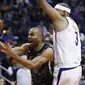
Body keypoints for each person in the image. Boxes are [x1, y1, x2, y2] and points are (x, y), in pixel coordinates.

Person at [36, 1, 82, 85]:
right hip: (76, 69)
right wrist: (53, 38)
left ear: (64, 12)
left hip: (65, 69)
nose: (54, 13)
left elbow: (42, 3)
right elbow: (68, 41)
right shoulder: (73, 24)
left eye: (56, 10)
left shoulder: (61, 20)